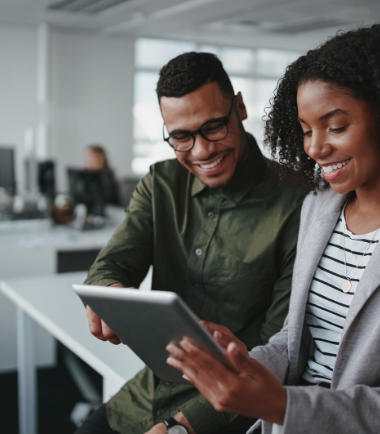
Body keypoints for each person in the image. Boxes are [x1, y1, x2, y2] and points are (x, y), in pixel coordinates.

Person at [166, 22, 380, 434]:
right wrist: (238, 363)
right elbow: (293, 343)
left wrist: (283, 403)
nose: (314, 148)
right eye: (306, 131)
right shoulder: (319, 206)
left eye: (336, 127)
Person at [78, 52, 305, 434]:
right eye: (182, 137)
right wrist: (106, 293)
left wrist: (185, 427)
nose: (202, 151)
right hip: (149, 394)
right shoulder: (160, 183)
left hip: (230, 411)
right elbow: (110, 265)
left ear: (241, 107)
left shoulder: (298, 202)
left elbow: (280, 349)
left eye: (215, 127)